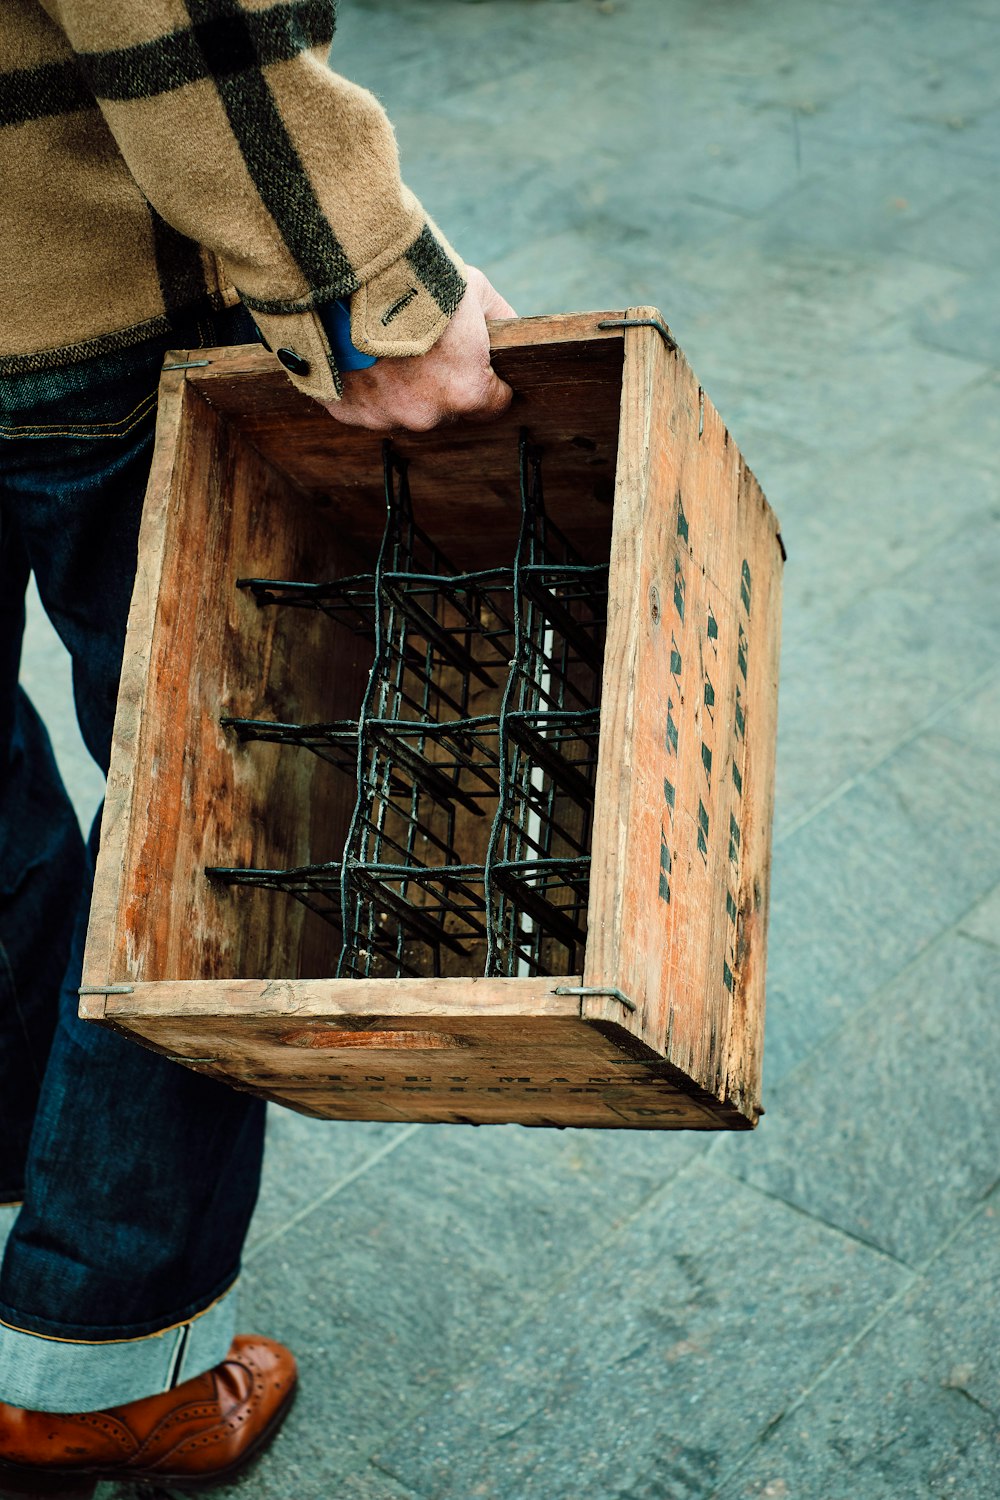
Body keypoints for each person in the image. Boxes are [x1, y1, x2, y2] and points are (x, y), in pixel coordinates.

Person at [0, 0, 514, 1489]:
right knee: (228, 795)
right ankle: (92, 1363)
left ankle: (23, 1133)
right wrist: (361, 279)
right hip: (66, 295)